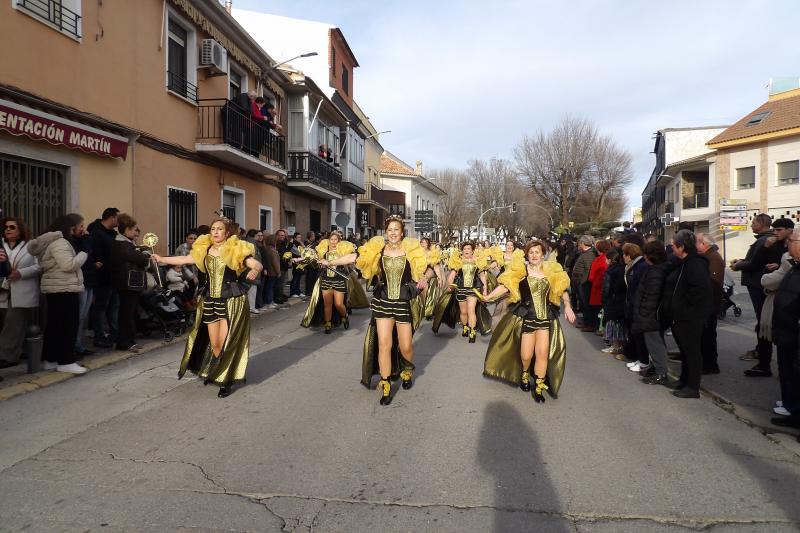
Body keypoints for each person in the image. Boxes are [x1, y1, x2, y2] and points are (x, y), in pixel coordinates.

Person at [152, 217, 262, 398]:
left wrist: (255, 269)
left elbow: (255, 263)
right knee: (215, 343)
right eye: (213, 229)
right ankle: (217, 371)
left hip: (230, 300)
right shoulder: (205, 248)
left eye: (220, 229)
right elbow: (185, 258)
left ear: (227, 232)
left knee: (226, 342)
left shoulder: (235, 249)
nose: (215, 232)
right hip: (210, 300)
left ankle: (225, 379)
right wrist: (162, 258)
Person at [480, 240, 576, 401]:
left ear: (543, 254)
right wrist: (489, 296)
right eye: (531, 252)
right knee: (526, 355)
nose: (534, 255)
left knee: (542, 353)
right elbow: (505, 286)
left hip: (545, 318)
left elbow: (562, 290)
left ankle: (538, 386)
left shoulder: (552, 270)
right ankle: (525, 373)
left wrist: (567, 306)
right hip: (527, 316)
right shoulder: (521, 270)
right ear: (527, 255)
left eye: (537, 252)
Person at [357, 215, 428, 404]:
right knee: (384, 344)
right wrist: (330, 262)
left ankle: (407, 371)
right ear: (386, 232)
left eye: (396, 229)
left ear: (402, 231)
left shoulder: (411, 250)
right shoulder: (378, 249)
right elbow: (355, 257)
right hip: (383, 301)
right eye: (390, 230)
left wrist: (424, 278)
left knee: (406, 346)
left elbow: (426, 269)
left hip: (403, 301)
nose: (393, 233)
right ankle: (386, 384)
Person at [28, 214, 89, 374]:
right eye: (79, 226)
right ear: (70, 227)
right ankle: (66, 361)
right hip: (64, 288)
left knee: (55, 325)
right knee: (67, 326)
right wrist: (84, 253)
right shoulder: (60, 242)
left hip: (57, 288)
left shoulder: (52, 241)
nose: (81, 230)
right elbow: (68, 265)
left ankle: (51, 359)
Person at [663, 230, 712, 398]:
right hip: (680, 315)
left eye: (673, 245)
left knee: (691, 352)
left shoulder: (695, 264)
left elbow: (699, 291)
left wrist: (682, 308)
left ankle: (692, 386)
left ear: (682, 247)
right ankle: (684, 380)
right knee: (684, 351)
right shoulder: (682, 262)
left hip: (690, 316)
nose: (671, 248)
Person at [730, 213, 774, 374]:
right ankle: (760, 351)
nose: (751, 225)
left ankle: (763, 356)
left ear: (761, 224)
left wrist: (738, 265)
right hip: (757, 283)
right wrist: (742, 261)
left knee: (762, 321)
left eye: (754, 222)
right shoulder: (763, 239)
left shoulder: (764, 240)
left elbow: (755, 263)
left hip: (758, 284)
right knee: (762, 320)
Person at [301, 231, 367, 332]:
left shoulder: (343, 251)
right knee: (327, 304)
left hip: (339, 279)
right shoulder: (323, 251)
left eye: (336, 239)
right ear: (328, 240)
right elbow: (314, 261)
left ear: (339, 241)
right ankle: (327, 324)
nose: (333, 241)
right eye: (331, 239)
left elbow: (350, 262)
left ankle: (344, 315)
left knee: (338, 304)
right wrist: (317, 263)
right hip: (326, 279)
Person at [768, 227, 800, 432]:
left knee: (794, 372)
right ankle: (791, 408)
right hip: (785, 328)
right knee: (787, 370)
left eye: (792, 241)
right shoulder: (794, 265)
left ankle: (795, 411)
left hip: (794, 329)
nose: (788, 244)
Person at [0, 217, 40, 369]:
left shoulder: (30, 245)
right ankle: (16, 351)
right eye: (6, 227)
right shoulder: (1, 244)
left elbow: (39, 267)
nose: (8, 229)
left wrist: (21, 273)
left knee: (13, 324)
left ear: (20, 230)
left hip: (22, 290)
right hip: (2, 290)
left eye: (12, 227)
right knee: (6, 324)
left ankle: (8, 357)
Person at [432, 241, 491, 343]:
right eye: (464, 249)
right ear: (462, 251)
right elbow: (452, 274)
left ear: (472, 251)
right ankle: (465, 327)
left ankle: (472, 331)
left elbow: (482, 276)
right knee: (463, 312)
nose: (466, 251)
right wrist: (450, 285)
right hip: (461, 288)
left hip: (473, 289)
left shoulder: (478, 261)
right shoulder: (458, 261)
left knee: (471, 310)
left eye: (468, 249)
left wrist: (485, 289)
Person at [109, 214, 152, 353]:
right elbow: (140, 259)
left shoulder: (127, 243)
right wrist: (144, 256)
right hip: (126, 283)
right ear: (127, 229)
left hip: (131, 283)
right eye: (133, 229)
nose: (135, 232)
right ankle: (124, 342)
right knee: (126, 314)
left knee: (131, 313)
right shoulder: (121, 244)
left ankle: (130, 340)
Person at [632, 241, 672, 385]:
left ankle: (661, 373)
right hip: (652, 314)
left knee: (655, 344)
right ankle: (657, 368)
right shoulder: (658, 269)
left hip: (651, 315)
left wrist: (643, 314)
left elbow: (652, 296)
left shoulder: (656, 272)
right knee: (654, 343)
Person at [87, 207, 119, 348]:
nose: (118, 221)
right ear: (111, 218)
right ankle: (99, 336)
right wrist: (96, 264)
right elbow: (92, 253)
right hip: (102, 278)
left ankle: (114, 334)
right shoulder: (96, 233)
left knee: (113, 308)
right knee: (100, 308)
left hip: (113, 277)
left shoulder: (112, 234)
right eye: (117, 218)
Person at [696, 233, 725, 374]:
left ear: (703, 244)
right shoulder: (707, 256)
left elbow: (713, 284)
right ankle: (706, 362)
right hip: (707, 304)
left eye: (696, 242)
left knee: (708, 336)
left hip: (709, 305)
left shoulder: (713, 258)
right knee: (704, 336)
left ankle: (710, 365)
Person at [622, 243, 650, 372]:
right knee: (635, 334)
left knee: (639, 335)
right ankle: (639, 358)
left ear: (630, 255)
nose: (623, 257)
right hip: (632, 303)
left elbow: (637, 287)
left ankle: (643, 361)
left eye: (625, 254)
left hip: (637, 304)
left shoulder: (640, 267)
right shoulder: (633, 266)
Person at [601, 248, 627, 356]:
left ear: (610, 259)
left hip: (612, 300)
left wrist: (604, 299)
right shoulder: (623, 268)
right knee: (619, 324)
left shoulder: (610, 271)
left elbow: (606, 288)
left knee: (611, 323)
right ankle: (619, 346)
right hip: (621, 299)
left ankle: (614, 346)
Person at [571, 235, 597, 330]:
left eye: (580, 243)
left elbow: (588, 269)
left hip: (584, 283)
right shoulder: (586, 253)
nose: (578, 244)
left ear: (583, 243)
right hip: (581, 282)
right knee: (583, 303)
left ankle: (589, 324)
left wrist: (582, 281)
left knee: (586, 304)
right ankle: (586, 322)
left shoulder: (589, 254)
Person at [587, 239, 610, 334]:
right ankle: (598, 326)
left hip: (597, 286)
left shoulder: (600, 259)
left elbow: (594, 275)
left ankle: (597, 327)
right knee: (599, 309)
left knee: (597, 309)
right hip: (599, 286)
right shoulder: (605, 258)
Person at [419, 237, 444, 319]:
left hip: (430, 270)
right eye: (422, 242)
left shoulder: (432, 253)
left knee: (426, 288)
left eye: (425, 242)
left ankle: (427, 310)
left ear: (428, 244)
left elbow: (436, 266)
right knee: (422, 290)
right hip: (420, 272)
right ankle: (423, 307)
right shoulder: (417, 253)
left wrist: (439, 278)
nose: (423, 244)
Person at [261, 234, 282, 309]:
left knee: (268, 287)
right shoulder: (272, 250)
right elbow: (275, 262)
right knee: (270, 287)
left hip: (269, 271)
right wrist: (278, 272)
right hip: (273, 272)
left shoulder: (267, 249)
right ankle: (269, 301)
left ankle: (269, 301)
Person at [289, 232, 305, 298]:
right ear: (295, 238)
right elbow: (299, 253)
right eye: (298, 237)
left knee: (298, 278)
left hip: (300, 263)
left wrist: (302, 245)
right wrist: (302, 246)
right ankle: (293, 292)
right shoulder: (293, 244)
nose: (300, 239)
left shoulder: (299, 244)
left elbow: (305, 252)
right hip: (295, 263)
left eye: (300, 237)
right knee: (295, 278)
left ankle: (298, 291)